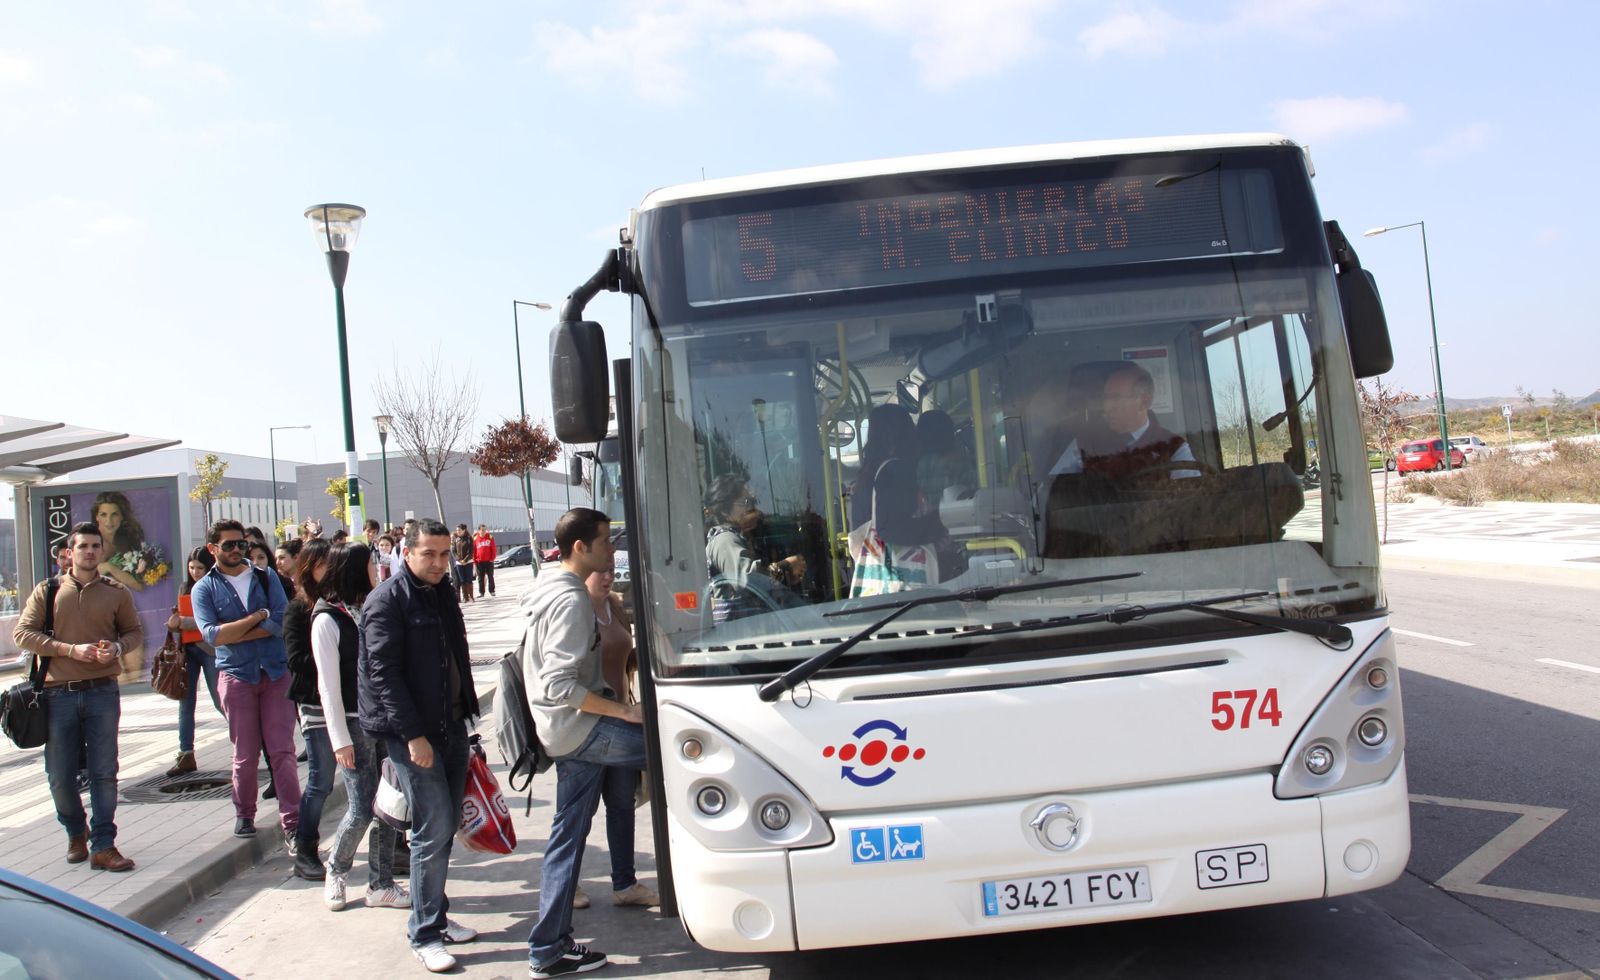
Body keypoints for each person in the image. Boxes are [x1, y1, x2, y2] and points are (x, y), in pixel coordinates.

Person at [522, 507, 645, 978]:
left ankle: (548, 948)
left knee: (567, 839)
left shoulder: (547, 586)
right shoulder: (571, 600)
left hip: (562, 732)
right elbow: (557, 685)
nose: (612, 549)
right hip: (581, 730)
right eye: (605, 541)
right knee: (681, 751)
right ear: (581, 548)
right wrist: (625, 711)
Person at [358, 519, 480, 973]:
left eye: (445, 554)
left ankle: (436, 917)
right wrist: (413, 737)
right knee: (431, 829)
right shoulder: (387, 601)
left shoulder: (442, 590)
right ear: (405, 552)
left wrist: (467, 712)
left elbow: (456, 654)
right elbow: (383, 675)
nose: (438, 562)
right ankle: (424, 933)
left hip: (450, 724)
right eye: (429, 554)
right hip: (413, 734)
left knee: (442, 828)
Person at [12, 521, 143, 872]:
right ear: (70, 552)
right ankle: (75, 831)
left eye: (94, 546)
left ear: (102, 552)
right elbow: (22, 633)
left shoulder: (116, 593)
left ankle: (104, 844)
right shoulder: (49, 590)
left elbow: (133, 632)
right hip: (58, 696)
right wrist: (70, 650)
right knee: (60, 775)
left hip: (102, 691)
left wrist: (115, 647)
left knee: (104, 772)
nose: (89, 552)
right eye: (82, 546)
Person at [191, 519, 301, 846]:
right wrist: (256, 618)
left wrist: (236, 631)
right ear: (213, 549)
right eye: (229, 545)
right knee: (245, 752)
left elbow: (282, 621)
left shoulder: (266, 578)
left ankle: (293, 821)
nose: (237, 549)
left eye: (241, 544)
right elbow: (212, 635)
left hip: (275, 671)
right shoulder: (204, 588)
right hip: (236, 674)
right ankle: (244, 813)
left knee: (283, 750)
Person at [315, 543, 409, 913]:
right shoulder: (327, 618)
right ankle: (337, 869)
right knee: (361, 807)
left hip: (383, 720)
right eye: (370, 565)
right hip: (352, 725)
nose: (377, 570)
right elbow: (327, 686)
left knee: (390, 805)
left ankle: (381, 883)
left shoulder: (371, 607)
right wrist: (339, 739)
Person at [569, 565, 656, 912]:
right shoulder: (574, 609)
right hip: (586, 727)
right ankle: (568, 883)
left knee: (622, 807)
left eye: (609, 571)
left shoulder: (615, 605)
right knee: (579, 811)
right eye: (597, 571)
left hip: (621, 719)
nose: (606, 577)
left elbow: (625, 658)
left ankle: (625, 883)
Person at [1047, 362, 1198, 479]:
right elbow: (1049, 494)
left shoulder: (1173, 448)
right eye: (1105, 398)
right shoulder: (1086, 443)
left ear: (1144, 401)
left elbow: (1192, 503)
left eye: (1115, 398)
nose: (1106, 406)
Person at [285, 538, 333, 880]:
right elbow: (295, 660)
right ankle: (305, 849)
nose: (329, 570)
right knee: (321, 779)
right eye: (322, 564)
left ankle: (390, 847)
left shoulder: (343, 603)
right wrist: (332, 662)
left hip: (350, 704)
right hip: (315, 703)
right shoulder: (298, 609)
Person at [702, 477, 805, 624]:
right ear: (725, 510)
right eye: (745, 502)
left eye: (752, 503)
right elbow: (749, 582)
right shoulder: (725, 540)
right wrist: (785, 568)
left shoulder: (734, 537)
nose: (752, 509)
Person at [165, 546, 223, 777]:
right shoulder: (184, 587)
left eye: (200, 568)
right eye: (192, 568)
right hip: (187, 650)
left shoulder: (215, 587)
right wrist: (174, 622)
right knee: (185, 703)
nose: (195, 572)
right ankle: (185, 753)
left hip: (209, 649)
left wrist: (185, 622)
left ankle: (246, 740)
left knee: (221, 699)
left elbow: (215, 622)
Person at [92, 491, 154, 592]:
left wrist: (110, 568)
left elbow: (139, 585)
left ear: (122, 516)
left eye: (114, 514)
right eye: (103, 515)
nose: (109, 521)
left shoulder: (129, 539)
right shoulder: (90, 541)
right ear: (96, 516)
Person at [450, 524, 474, 604]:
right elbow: (453, 551)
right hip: (459, 563)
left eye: (459, 530)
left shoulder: (469, 538)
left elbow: (471, 551)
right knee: (462, 580)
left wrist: (465, 560)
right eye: (457, 530)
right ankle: (465, 597)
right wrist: (459, 560)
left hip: (468, 562)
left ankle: (471, 596)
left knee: (469, 579)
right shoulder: (456, 539)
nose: (458, 532)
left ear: (464, 530)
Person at [472, 524, 496, 598]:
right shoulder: (475, 538)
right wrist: (474, 560)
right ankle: (481, 592)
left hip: (489, 561)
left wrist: (492, 559)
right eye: (482, 530)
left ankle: (492, 591)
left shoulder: (490, 537)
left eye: (485, 529)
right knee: (480, 578)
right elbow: (474, 551)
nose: (483, 531)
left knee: (490, 576)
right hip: (479, 562)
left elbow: (493, 549)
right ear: (479, 530)